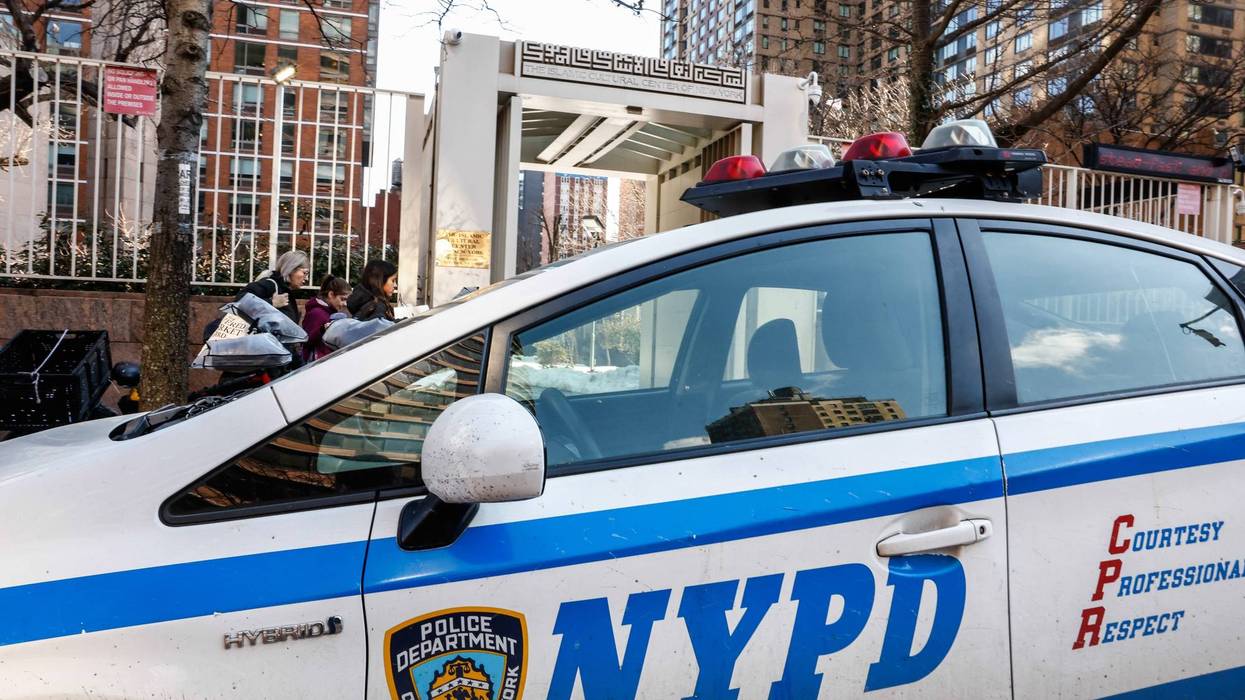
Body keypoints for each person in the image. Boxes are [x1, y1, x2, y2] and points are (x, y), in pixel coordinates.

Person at [240, 250, 309, 325]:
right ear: (291, 269)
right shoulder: (270, 284)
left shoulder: (285, 290)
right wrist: (272, 303)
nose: (307, 278)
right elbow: (241, 300)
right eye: (305, 273)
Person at [301, 276, 352, 362]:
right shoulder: (317, 314)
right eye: (342, 299)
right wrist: (322, 329)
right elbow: (306, 339)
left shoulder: (329, 312)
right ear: (331, 294)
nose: (345, 304)